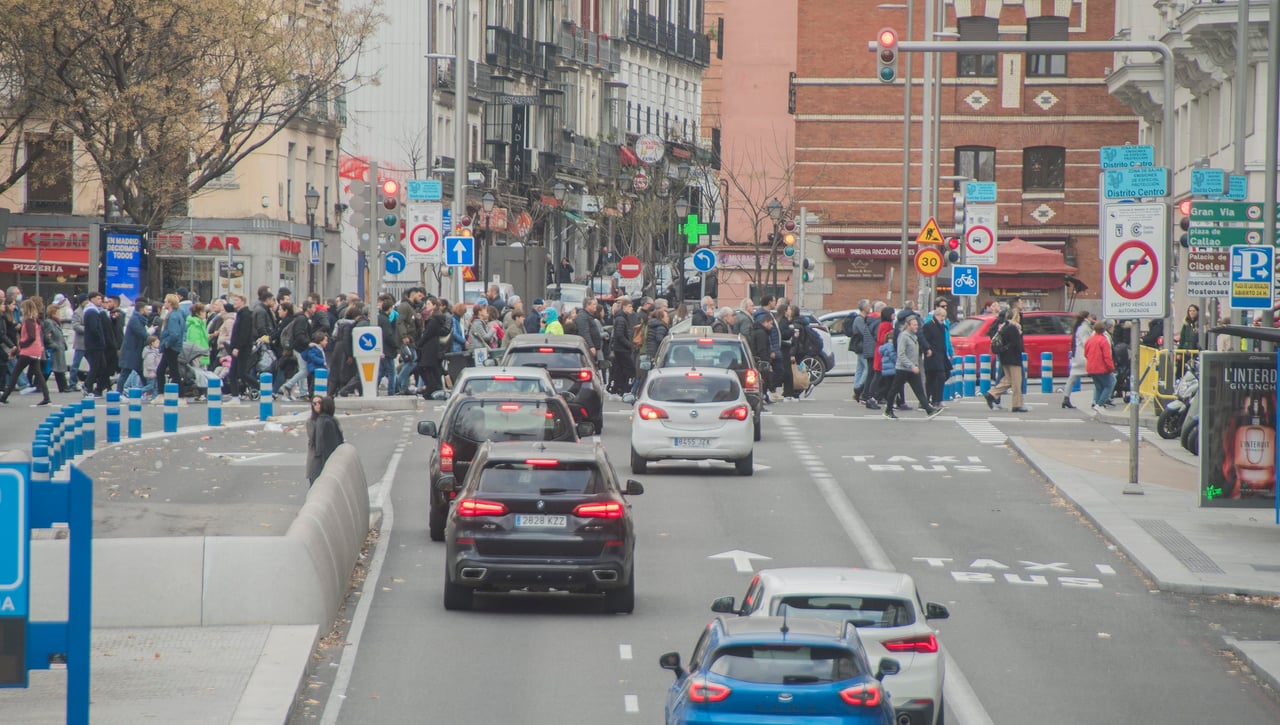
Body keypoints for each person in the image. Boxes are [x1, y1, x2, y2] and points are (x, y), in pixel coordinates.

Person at [884, 315, 940, 419]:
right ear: (908, 325)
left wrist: (925, 352)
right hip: (903, 369)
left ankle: (929, 410)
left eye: (917, 324)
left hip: (912, 369)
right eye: (914, 325)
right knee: (894, 390)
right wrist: (911, 365)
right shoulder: (903, 336)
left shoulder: (914, 336)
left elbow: (914, 351)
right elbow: (901, 354)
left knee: (919, 390)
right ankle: (888, 410)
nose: (916, 326)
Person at [0, 298, 51, 406]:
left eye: (23, 308)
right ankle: (47, 397)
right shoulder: (36, 321)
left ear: (26, 309)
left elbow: (30, 337)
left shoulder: (28, 321)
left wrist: (21, 345)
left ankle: (4, 397)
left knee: (15, 373)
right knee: (38, 373)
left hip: (28, 351)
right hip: (36, 350)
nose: (21, 310)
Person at [984, 308, 1027, 412]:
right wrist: (1020, 334)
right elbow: (1018, 345)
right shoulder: (1014, 327)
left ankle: (992, 394)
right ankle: (1017, 405)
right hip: (1013, 358)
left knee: (1008, 379)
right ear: (1014, 317)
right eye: (1017, 316)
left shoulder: (1004, 326)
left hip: (1004, 357)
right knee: (1016, 381)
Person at [305, 394, 344, 486]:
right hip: (316, 457)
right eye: (315, 403)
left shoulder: (331, 420)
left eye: (319, 402)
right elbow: (314, 440)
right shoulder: (312, 422)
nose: (317, 405)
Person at [155, 294, 188, 395]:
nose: (164, 303)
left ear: (170, 303)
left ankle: (178, 395)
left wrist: (166, 344)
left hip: (171, 347)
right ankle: (162, 393)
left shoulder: (173, 316)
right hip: (173, 346)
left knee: (173, 372)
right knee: (163, 370)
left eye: (165, 301)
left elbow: (174, 334)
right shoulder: (177, 314)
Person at [1061, 310, 1094, 409]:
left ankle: (1066, 398)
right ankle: (1097, 400)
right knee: (1098, 376)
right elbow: (1086, 343)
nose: (1091, 319)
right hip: (1084, 357)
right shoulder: (1085, 328)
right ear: (1086, 318)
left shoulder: (1078, 327)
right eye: (1090, 317)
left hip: (1077, 356)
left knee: (1072, 378)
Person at [920, 307, 950, 407]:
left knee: (943, 376)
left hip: (941, 355)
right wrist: (927, 349)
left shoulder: (942, 326)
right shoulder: (928, 326)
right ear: (936, 315)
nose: (943, 318)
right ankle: (929, 399)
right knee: (931, 378)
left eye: (944, 316)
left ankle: (937, 398)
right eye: (942, 316)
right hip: (932, 356)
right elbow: (924, 340)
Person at [1084, 321, 1116, 412]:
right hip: (1102, 368)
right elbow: (1107, 357)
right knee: (1110, 384)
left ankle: (1096, 403)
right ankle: (1100, 404)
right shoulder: (1103, 340)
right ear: (1104, 330)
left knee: (1098, 386)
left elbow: (1086, 353)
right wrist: (1111, 368)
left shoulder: (1090, 340)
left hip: (1091, 367)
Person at [42, 302, 71, 393]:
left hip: (59, 349)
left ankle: (63, 387)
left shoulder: (56, 323)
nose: (60, 314)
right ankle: (40, 385)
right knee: (53, 368)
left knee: (57, 368)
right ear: (53, 313)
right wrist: (53, 345)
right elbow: (46, 336)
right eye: (58, 312)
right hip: (54, 350)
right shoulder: (49, 323)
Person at [610, 298, 635, 396]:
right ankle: (623, 388)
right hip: (622, 349)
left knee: (620, 368)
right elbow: (619, 335)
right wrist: (629, 345)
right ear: (624, 307)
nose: (631, 308)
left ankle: (619, 387)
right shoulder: (621, 319)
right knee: (628, 369)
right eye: (629, 306)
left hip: (620, 348)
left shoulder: (622, 318)